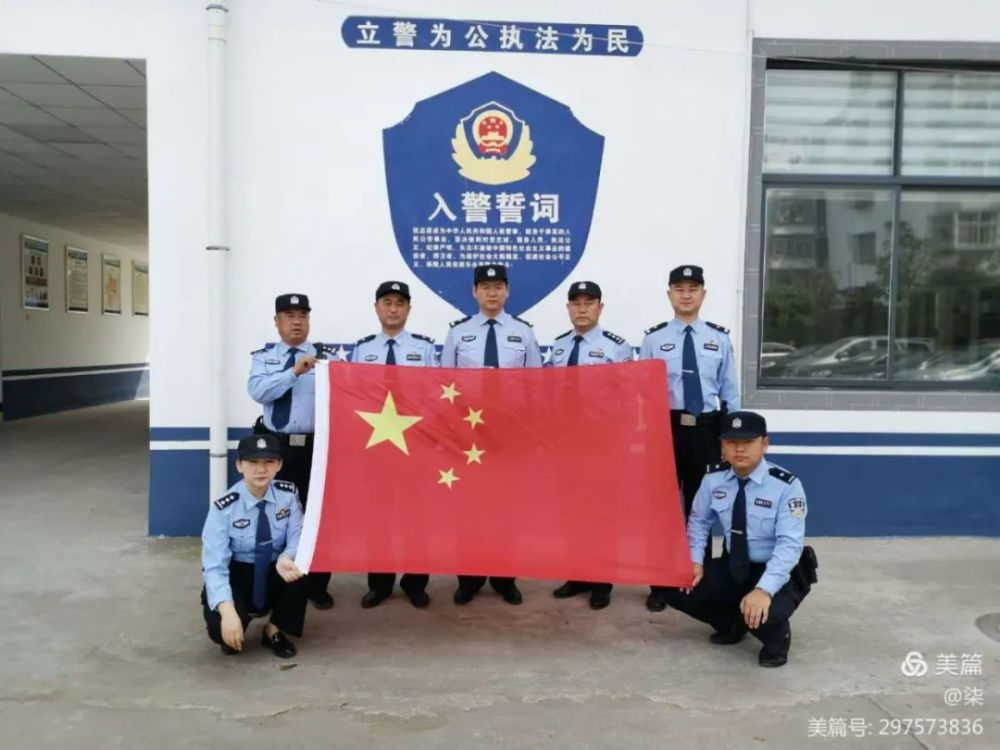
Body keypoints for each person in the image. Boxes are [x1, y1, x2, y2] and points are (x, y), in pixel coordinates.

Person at [663, 411, 816, 667]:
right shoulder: (713, 479)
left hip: (777, 570)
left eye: (747, 442)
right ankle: (732, 624)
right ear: (722, 445)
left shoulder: (786, 485)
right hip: (734, 565)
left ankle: (777, 638)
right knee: (675, 588)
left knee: (765, 613)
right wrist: (695, 561)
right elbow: (699, 523)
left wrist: (763, 590)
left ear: (764, 444)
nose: (739, 449)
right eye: (732, 442)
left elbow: (789, 546)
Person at [639, 265, 740, 613]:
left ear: (703, 295)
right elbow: (643, 394)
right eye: (679, 288)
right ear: (669, 294)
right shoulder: (653, 340)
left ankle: (699, 579)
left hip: (707, 431)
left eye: (693, 288)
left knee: (704, 508)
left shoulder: (719, 339)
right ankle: (660, 584)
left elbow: (730, 394)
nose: (686, 294)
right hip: (665, 430)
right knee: (663, 511)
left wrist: (729, 438)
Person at [441, 263, 542, 605]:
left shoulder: (524, 333)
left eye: (498, 286)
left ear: (507, 291)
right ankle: (468, 577)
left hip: (508, 435)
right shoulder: (458, 334)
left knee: (506, 506)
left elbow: (535, 387)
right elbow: (445, 386)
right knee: (468, 507)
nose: (492, 292)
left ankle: (504, 576)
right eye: (485, 286)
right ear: (474, 292)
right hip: (468, 434)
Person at [351, 280, 437, 609]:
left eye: (400, 303)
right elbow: (354, 395)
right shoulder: (362, 350)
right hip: (376, 444)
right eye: (386, 302)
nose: (393, 308)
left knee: (417, 517)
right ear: (376, 308)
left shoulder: (425, 349)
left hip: (414, 444)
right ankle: (380, 583)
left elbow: (434, 396)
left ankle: (415, 583)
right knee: (379, 517)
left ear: (408, 310)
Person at [549, 280, 633, 610]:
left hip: (601, 443)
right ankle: (577, 574)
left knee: (601, 513)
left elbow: (627, 400)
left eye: (589, 303)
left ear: (600, 307)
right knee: (571, 512)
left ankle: (601, 581)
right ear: (568, 308)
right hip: (565, 443)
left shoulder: (617, 348)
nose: (581, 309)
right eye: (576, 303)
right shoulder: (557, 347)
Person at [247, 293, 334, 610]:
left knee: (318, 516)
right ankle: (276, 580)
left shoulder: (327, 358)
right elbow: (259, 392)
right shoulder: (264, 358)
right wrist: (294, 372)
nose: (296, 321)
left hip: (317, 449)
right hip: (277, 448)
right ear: (277, 322)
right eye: (289, 316)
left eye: (302, 315)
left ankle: (316, 585)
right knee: (277, 514)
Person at [201, 434, 308, 659]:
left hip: (275, 566)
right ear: (239, 466)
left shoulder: (288, 495)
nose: (261, 469)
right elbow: (214, 566)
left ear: (279, 465)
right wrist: (228, 612)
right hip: (238, 572)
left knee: (300, 569)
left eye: (269, 462)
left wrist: (287, 556)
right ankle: (239, 619)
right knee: (222, 632)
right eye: (253, 463)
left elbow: (298, 535)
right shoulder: (223, 508)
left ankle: (274, 630)